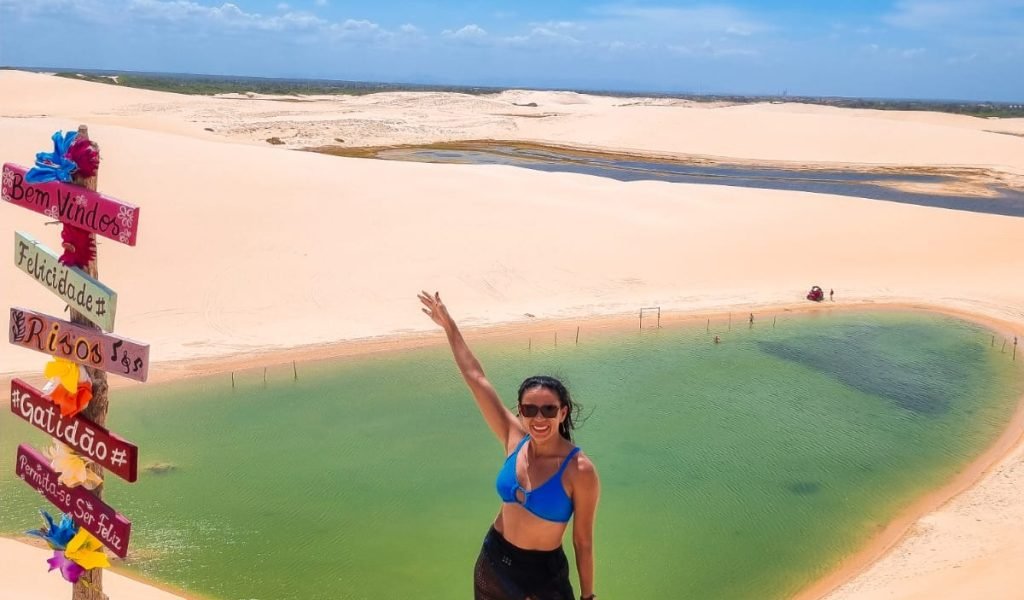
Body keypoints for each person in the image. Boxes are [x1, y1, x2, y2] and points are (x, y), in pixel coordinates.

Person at [419, 291, 600, 600]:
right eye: (530, 409)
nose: (539, 418)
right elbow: (476, 378)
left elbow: (582, 541)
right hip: (494, 562)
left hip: (543, 576)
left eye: (548, 410)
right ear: (519, 410)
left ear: (563, 412)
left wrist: (587, 596)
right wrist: (450, 326)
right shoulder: (514, 440)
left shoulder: (579, 470)